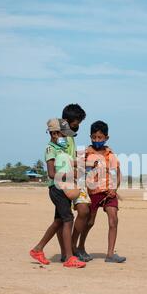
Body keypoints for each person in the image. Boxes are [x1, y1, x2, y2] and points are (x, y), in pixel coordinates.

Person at [29, 118, 86, 268]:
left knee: (58, 221)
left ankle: (38, 249)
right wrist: (72, 175)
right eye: (63, 134)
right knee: (68, 220)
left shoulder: (61, 147)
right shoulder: (50, 149)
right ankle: (69, 258)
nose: (66, 137)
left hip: (64, 188)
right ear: (54, 133)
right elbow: (52, 173)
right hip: (56, 188)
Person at [79, 120, 126, 263]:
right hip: (92, 192)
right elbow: (79, 172)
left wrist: (114, 189)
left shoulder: (110, 155)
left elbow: (117, 174)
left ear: (106, 138)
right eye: (94, 137)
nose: (97, 140)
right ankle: (80, 248)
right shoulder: (86, 154)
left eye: (100, 137)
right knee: (90, 222)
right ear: (90, 137)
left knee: (114, 220)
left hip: (109, 192)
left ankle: (110, 254)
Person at [57, 104, 93, 263]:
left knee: (84, 211)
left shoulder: (71, 137)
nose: (78, 126)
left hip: (76, 179)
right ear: (66, 121)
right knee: (62, 219)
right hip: (64, 181)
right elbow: (61, 160)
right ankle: (66, 252)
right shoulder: (59, 138)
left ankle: (72, 245)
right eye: (76, 123)